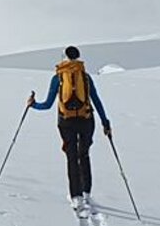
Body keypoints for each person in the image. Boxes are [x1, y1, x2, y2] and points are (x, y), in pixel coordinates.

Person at [27, 45, 111, 216]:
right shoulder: (85, 77)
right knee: (84, 154)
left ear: (63, 57)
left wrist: (33, 104)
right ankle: (87, 192)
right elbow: (96, 100)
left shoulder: (58, 77)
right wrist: (105, 122)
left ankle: (76, 197)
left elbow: (48, 104)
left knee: (72, 157)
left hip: (66, 122)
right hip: (87, 120)